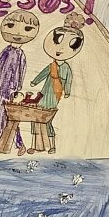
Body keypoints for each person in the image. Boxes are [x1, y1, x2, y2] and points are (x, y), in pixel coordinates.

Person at [30, 18, 85, 154]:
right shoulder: (52, 65)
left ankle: (52, 146)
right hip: (43, 95)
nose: (60, 49)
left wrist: (67, 91)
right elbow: (42, 74)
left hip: (54, 96)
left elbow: (68, 81)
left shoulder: (66, 68)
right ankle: (36, 145)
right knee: (35, 118)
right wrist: (35, 82)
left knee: (46, 120)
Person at [0, 11, 39, 153]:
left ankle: (19, 145)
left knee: (12, 118)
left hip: (12, 92)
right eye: (11, 26)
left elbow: (21, 72)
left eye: (27, 29)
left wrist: (18, 89)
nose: (18, 33)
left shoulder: (21, 55)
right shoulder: (6, 51)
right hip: (1, 90)